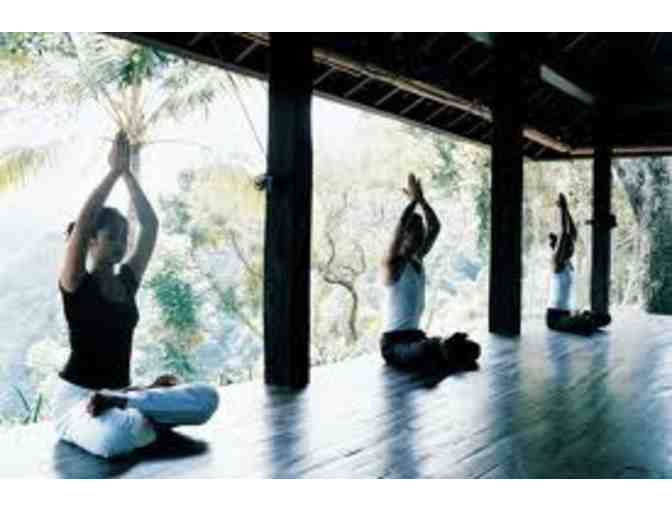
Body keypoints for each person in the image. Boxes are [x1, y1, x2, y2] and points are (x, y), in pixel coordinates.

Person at [53, 132, 219, 459]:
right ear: (90, 241)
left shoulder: (127, 281)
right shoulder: (75, 283)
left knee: (207, 398)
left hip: (119, 394)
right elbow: (84, 222)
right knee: (117, 436)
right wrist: (113, 172)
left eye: (124, 237)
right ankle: (142, 409)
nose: (121, 243)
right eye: (112, 237)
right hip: (77, 402)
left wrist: (128, 174)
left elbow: (150, 225)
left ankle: (132, 402)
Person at [380, 173, 481, 373]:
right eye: (415, 232)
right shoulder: (393, 264)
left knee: (472, 349)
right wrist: (413, 202)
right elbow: (398, 229)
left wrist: (422, 201)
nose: (421, 236)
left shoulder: (418, 258)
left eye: (421, 232)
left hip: (416, 336)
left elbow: (435, 226)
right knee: (430, 350)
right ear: (405, 236)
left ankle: (443, 348)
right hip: (394, 345)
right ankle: (441, 348)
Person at [546, 192, 611, 335]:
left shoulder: (567, 262)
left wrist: (567, 211)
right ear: (560, 248)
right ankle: (583, 319)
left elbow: (572, 234)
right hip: (555, 318)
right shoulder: (557, 262)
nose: (572, 248)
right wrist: (563, 209)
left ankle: (582, 318)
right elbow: (564, 233)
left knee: (605, 318)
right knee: (588, 324)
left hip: (568, 314)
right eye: (569, 246)